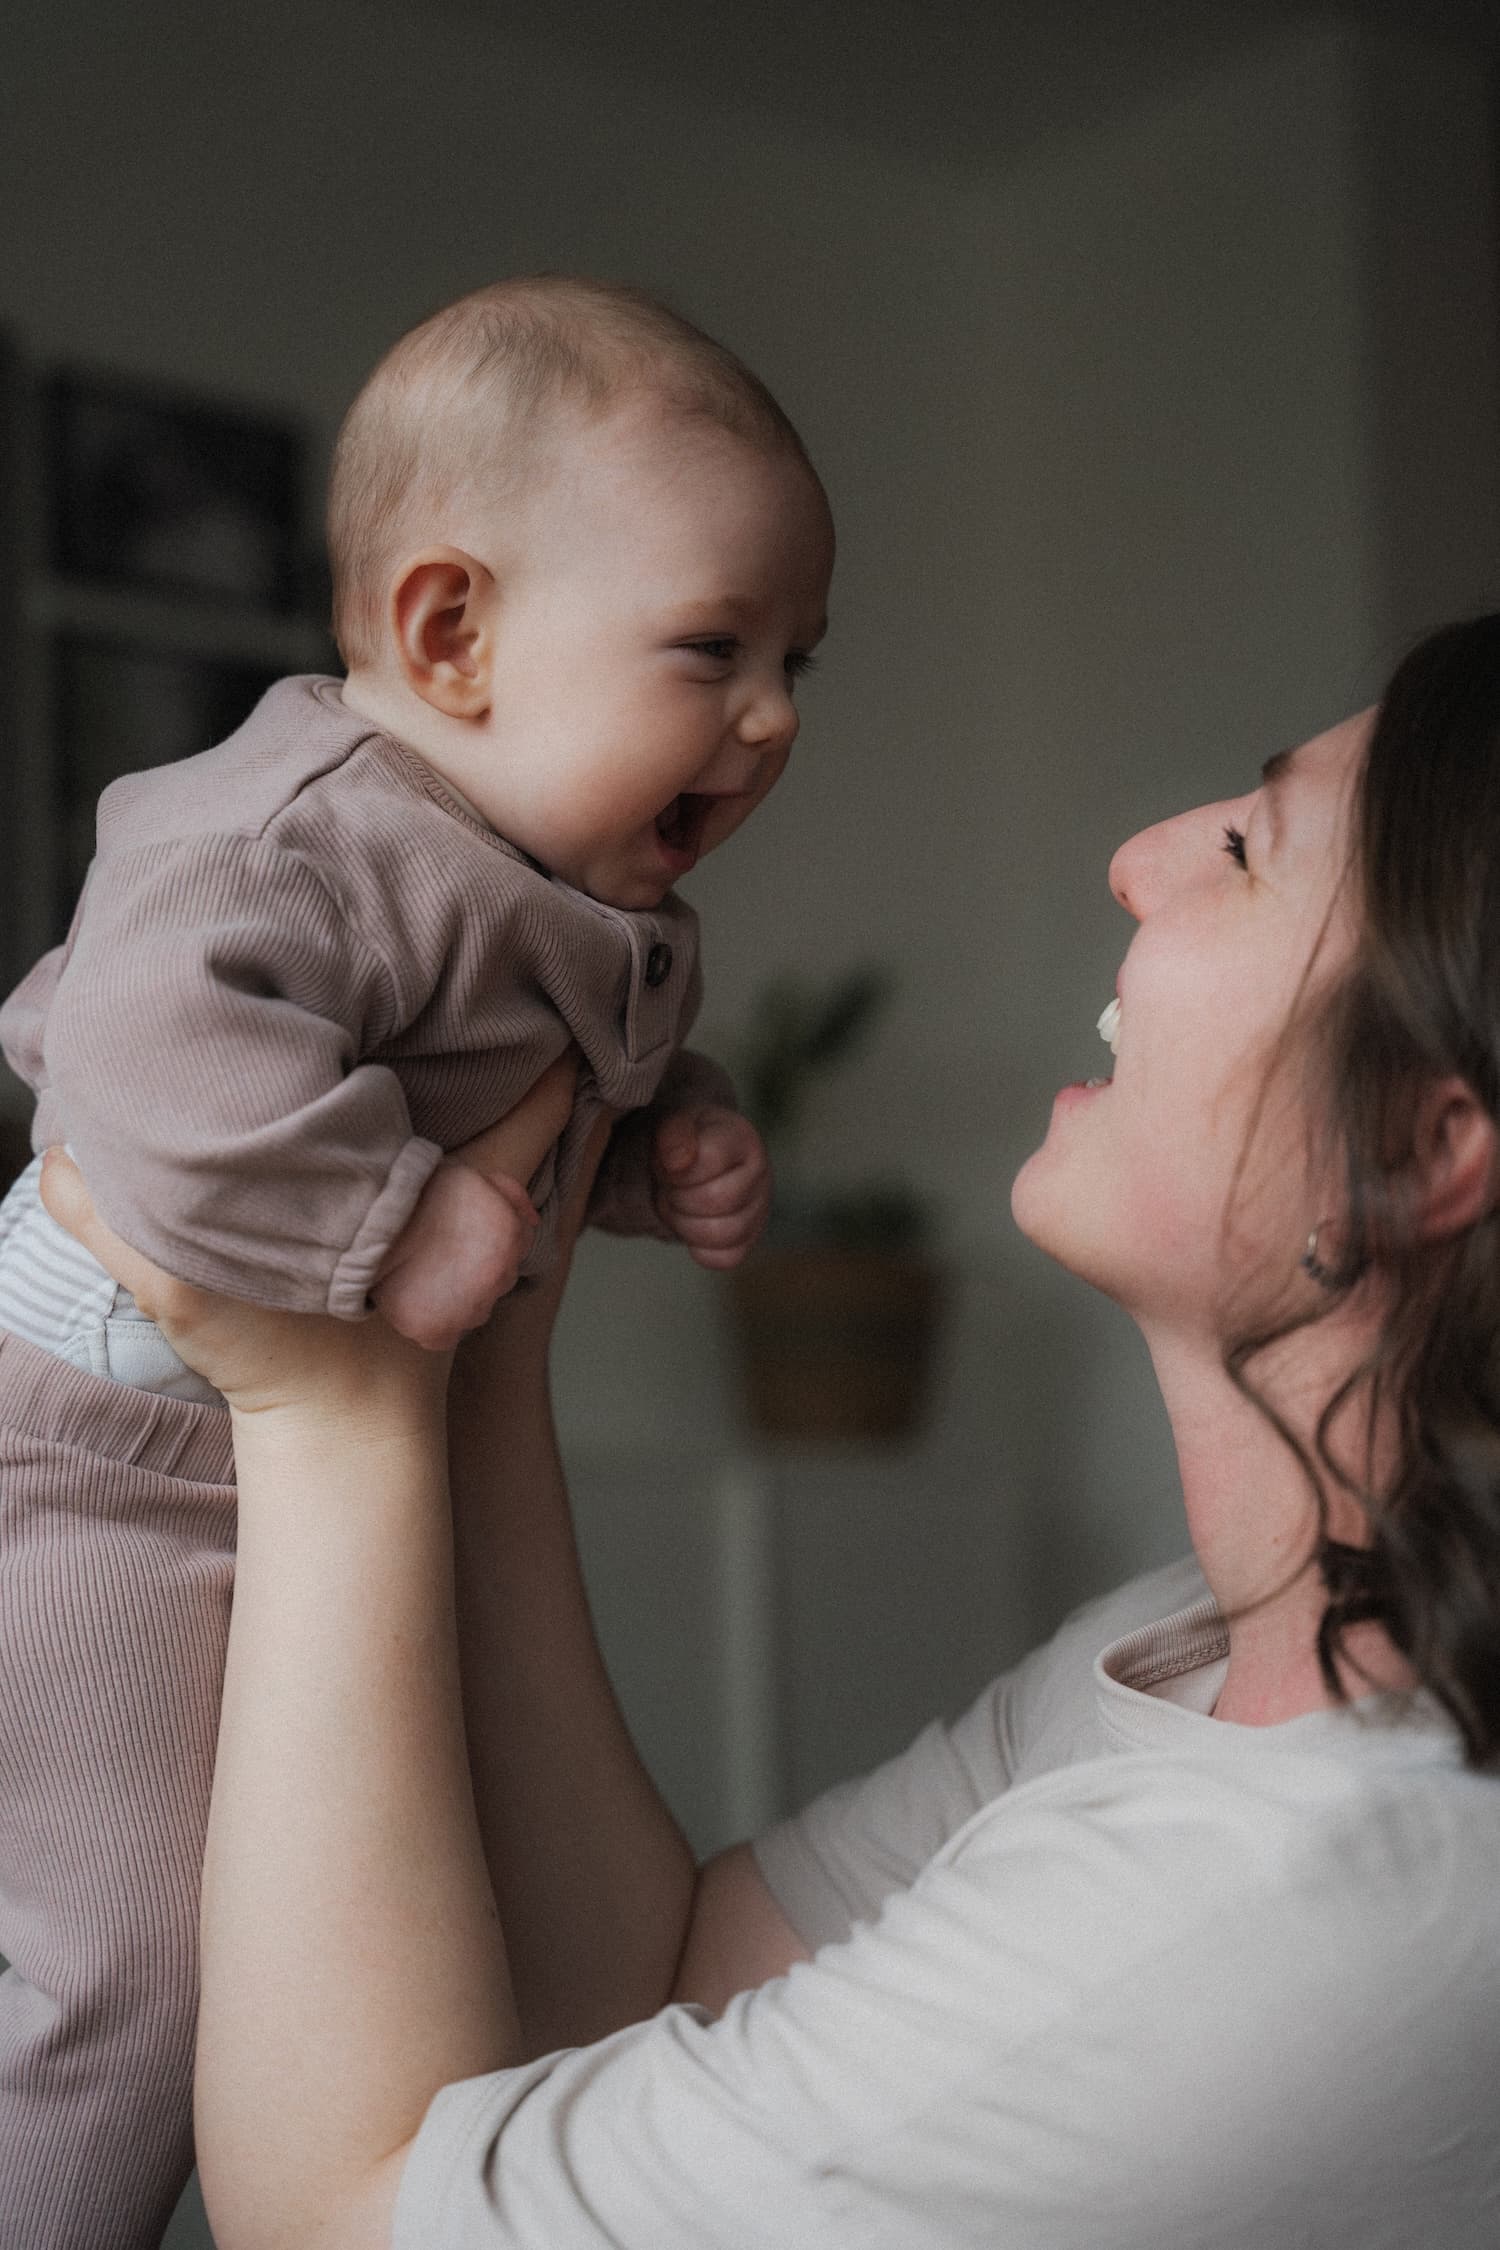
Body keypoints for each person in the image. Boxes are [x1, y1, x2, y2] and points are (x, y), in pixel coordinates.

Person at [47, 615, 1500, 2249]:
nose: (1142, 856)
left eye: (1248, 845)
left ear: (1423, 1136)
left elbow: (343, 2226)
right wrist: (497, 1328)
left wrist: (323, 1406)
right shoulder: (1191, 1650)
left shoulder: (1298, 1910)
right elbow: (658, 1977)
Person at [0, 275, 832, 2247]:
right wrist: (388, 1212)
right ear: (450, 632)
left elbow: (524, 1111)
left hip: (235, 1457)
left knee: (292, 1916)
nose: (777, 715)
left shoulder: (570, 890)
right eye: (715, 646)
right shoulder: (296, 837)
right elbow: (141, 1049)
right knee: (132, 1972)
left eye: (803, 656)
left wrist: (663, 1138)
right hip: (76, 1457)